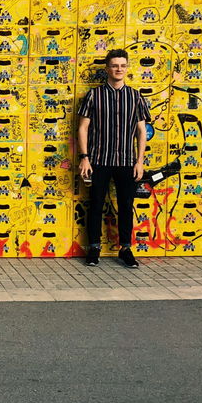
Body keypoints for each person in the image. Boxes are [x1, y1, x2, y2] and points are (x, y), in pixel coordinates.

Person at [77, 49, 150, 268]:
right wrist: (84, 158)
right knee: (96, 204)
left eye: (123, 65)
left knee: (127, 204)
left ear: (127, 68)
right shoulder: (94, 95)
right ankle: (94, 248)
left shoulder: (135, 96)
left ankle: (126, 248)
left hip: (127, 161)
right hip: (99, 159)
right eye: (115, 65)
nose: (119, 69)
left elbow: (141, 131)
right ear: (107, 69)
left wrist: (139, 161)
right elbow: (83, 128)